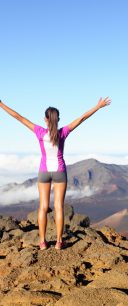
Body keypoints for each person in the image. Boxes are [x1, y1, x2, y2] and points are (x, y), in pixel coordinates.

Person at [0, 97, 111, 250]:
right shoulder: (63, 132)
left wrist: (1, 104)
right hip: (59, 171)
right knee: (59, 207)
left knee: (43, 207)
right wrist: (98, 106)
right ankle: (59, 242)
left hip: (44, 171)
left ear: (45, 119)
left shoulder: (39, 131)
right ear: (58, 119)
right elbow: (82, 118)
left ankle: (42, 242)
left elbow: (18, 117)